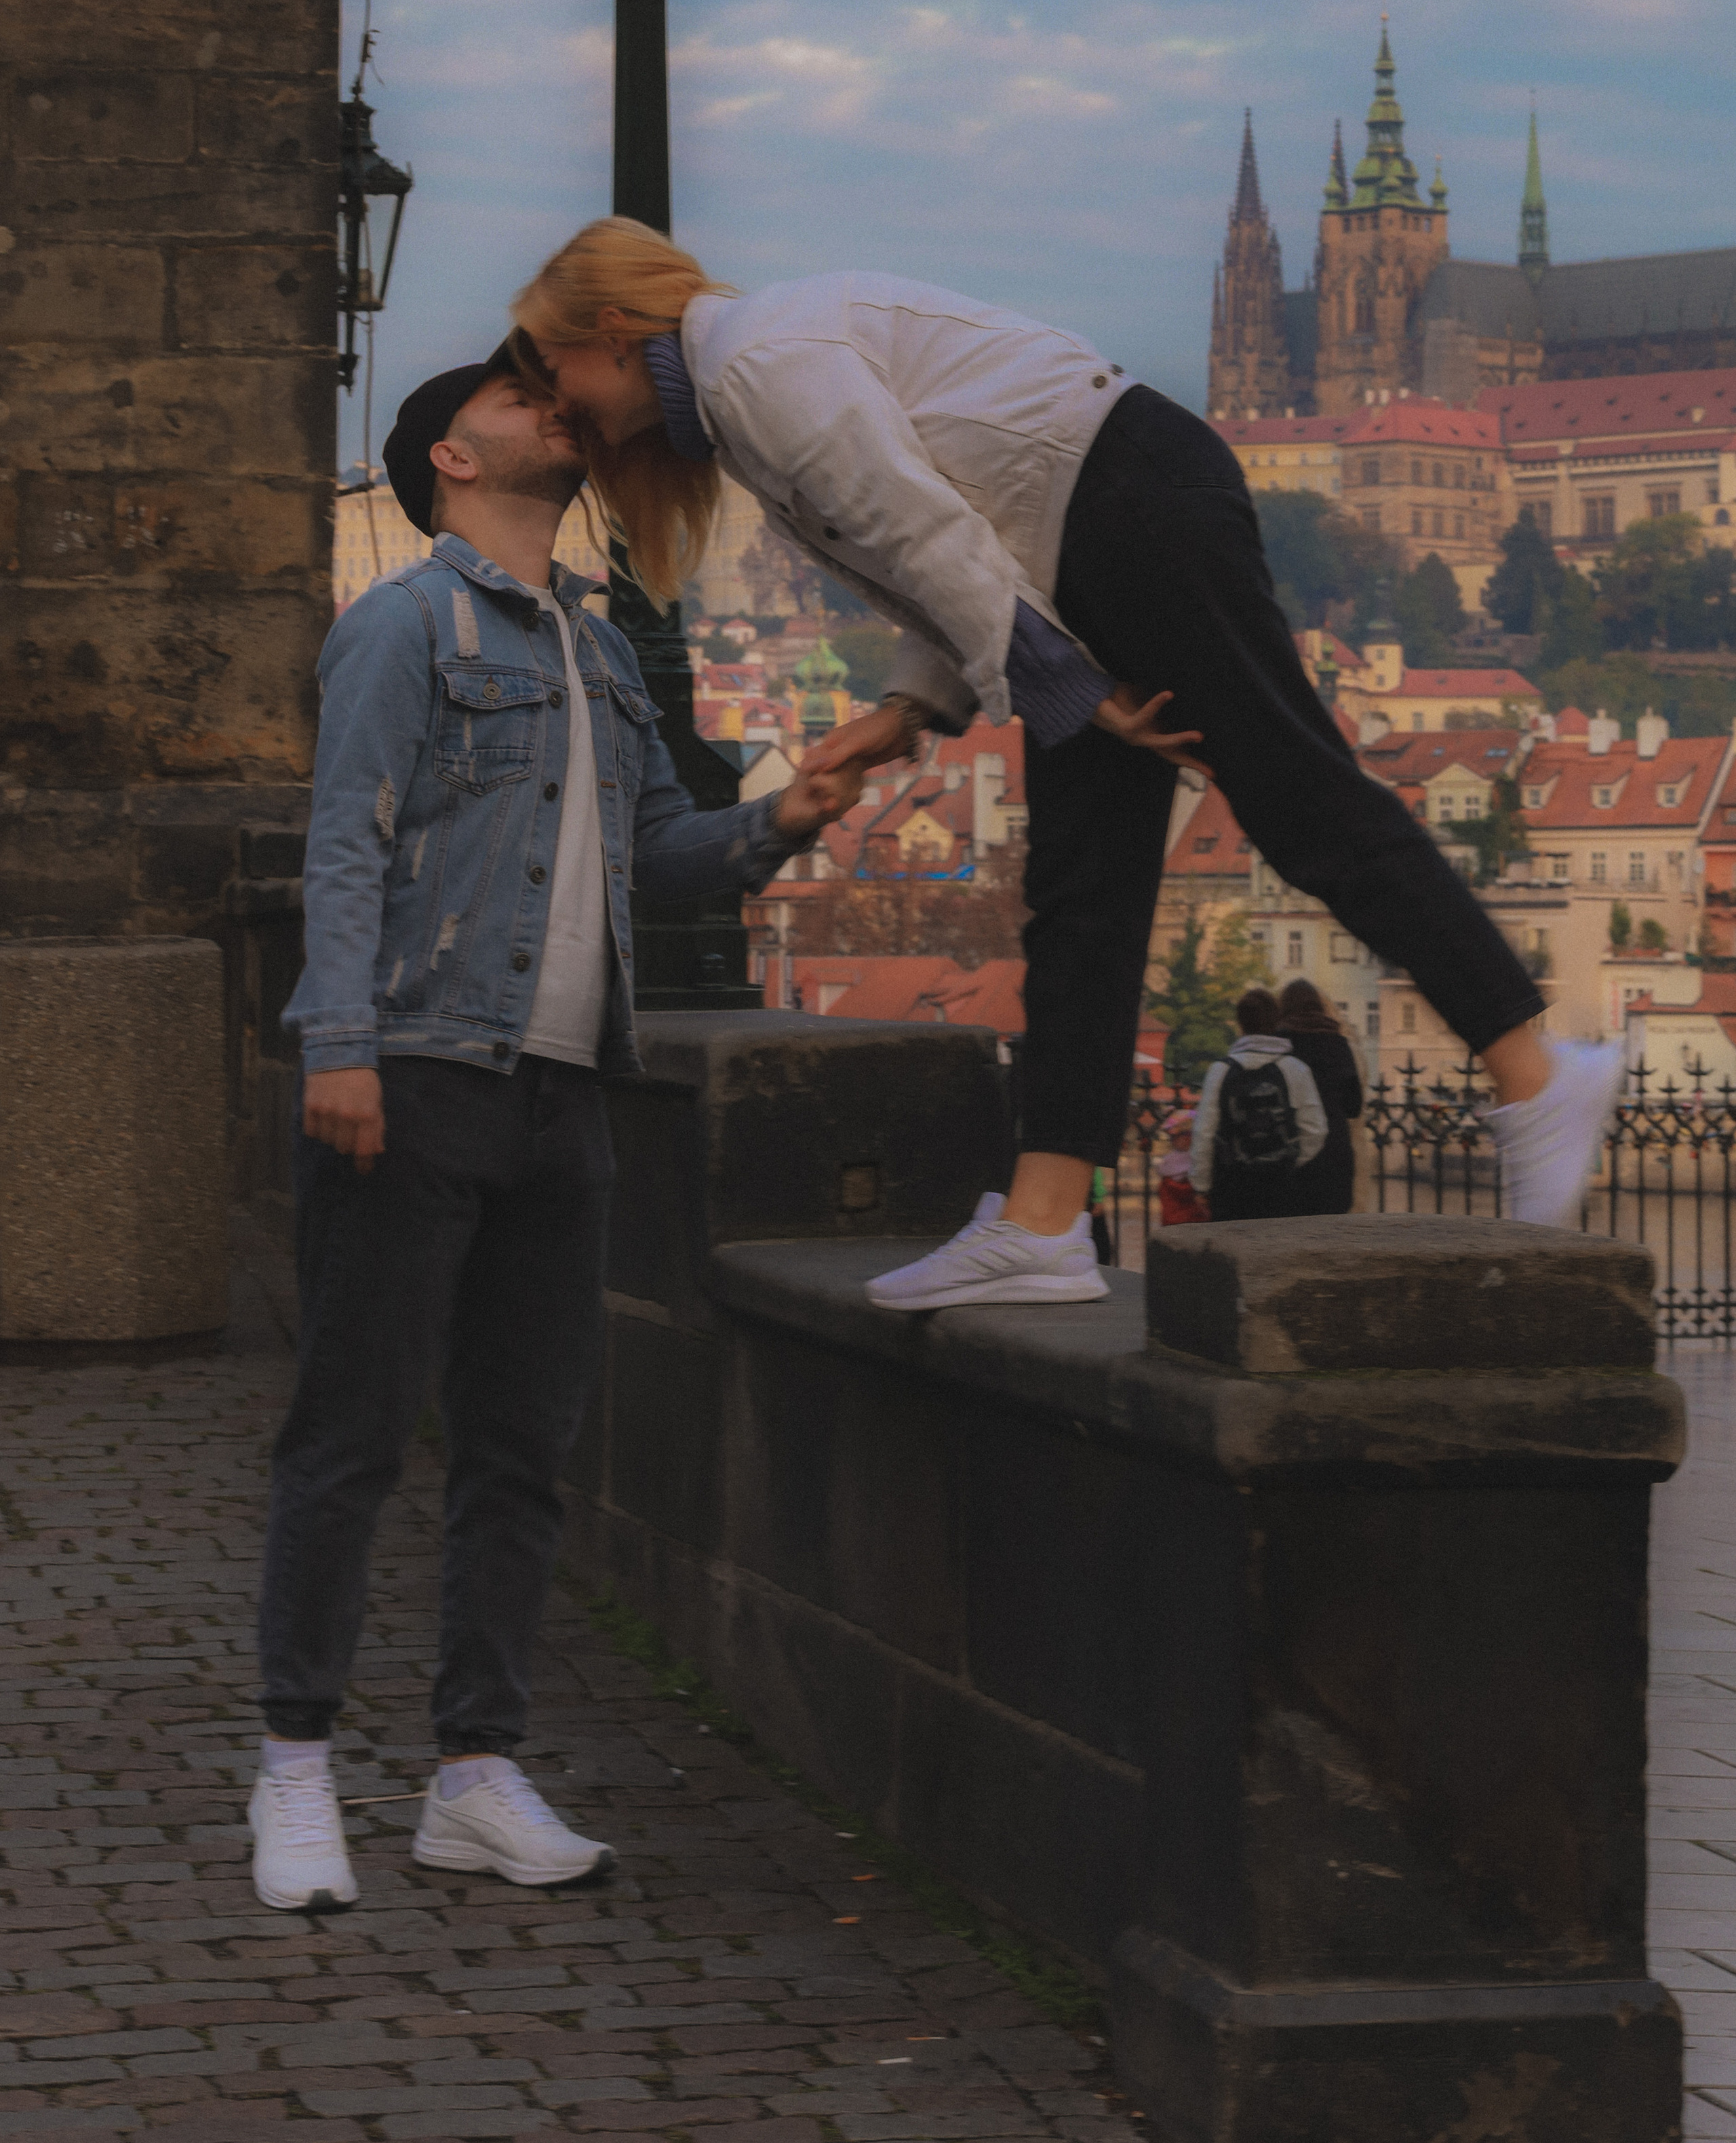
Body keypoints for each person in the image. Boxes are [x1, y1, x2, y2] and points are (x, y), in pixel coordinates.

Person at [507, 216, 1625, 1309]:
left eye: (555, 365)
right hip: (1089, 527)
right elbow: (945, 526)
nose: (558, 397)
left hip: (1125, 506)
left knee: (1295, 795)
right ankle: (1043, 1221)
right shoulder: (747, 377)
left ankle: (1534, 1070)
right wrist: (907, 710)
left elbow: (931, 536)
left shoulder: (755, 366)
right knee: (1084, 892)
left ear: (613, 329)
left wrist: (1071, 693)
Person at [251, 350, 861, 1915]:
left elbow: (658, 850)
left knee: (520, 1451)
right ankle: (298, 1765)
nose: (550, 406)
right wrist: (339, 1043)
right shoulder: (402, 624)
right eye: (517, 396)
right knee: (353, 1436)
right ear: (450, 456)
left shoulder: (594, 654)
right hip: (416, 1063)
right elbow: (344, 836)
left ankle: (472, 1772)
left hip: (560, 1090)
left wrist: (786, 815)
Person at [1189, 987, 1328, 1221]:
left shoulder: (1220, 1071)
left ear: (1240, 1023)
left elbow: (1204, 1133)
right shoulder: (1295, 1069)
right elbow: (1316, 1130)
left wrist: (1202, 1186)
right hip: (1280, 1187)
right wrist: (1290, 1161)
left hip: (1230, 1186)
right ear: (1277, 1021)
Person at [1276, 977, 1363, 1215]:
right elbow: (1354, 1106)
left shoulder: (1278, 1044)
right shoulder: (1339, 1044)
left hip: (1290, 1157)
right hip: (1335, 1155)